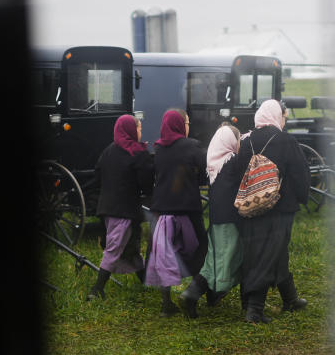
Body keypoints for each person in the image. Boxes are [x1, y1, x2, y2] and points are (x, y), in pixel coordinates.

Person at [234, 99, 310, 323]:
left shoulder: (246, 141)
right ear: (277, 116)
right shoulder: (286, 140)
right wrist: (301, 198)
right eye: (284, 117)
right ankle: (254, 310)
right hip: (280, 209)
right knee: (268, 255)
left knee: (269, 252)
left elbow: (239, 173)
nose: (284, 122)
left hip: (252, 208)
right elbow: (300, 174)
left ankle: (290, 298)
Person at [145, 109, 208, 316]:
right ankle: (193, 296)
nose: (188, 126)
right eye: (187, 121)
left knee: (165, 254)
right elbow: (204, 173)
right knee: (201, 249)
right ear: (181, 124)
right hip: (188, 210)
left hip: (162, 210)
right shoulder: (193, 147)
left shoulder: (158, 149)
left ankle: (166, 304)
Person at [87, 114, 154, 300]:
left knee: (131, 247)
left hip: (108, 207)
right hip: (123, 209)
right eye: (139, 128)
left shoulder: (109, 150)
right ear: (131, 130)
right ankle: (96, 289)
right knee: (115, 248)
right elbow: (146, 183)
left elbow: (98, 174)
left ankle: (146, 282)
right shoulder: (137, 152)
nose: (140, 132)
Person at [180, 123, 243, 318]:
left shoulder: (214, 163)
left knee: (213, 259)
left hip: (216, 219)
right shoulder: (233, 162)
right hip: (229, 220)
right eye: (237, 140)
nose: (239, 144)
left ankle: (206, 294)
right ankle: (194, 294)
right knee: (226, 260)